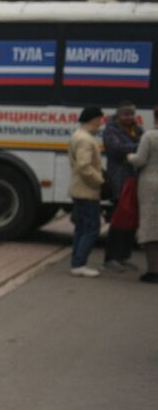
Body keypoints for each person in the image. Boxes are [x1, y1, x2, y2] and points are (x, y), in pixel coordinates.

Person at [102, 100, 144, 270]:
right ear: (118, 115)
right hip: (119, 179)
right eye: (126, 114)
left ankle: (123, 256)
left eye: (131, 114)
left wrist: (139, 146)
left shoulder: (137, 129)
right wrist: (141, 146)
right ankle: (111, 258)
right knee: (119, 219)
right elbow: (117, 149)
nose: (129, 117)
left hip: (134, 179)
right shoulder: (111, 130)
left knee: (131, 219)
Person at [69, 106, 106, 277]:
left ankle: (76, 262)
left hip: (79, 189)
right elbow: (84, 166)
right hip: (87, 190)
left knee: (81, 228)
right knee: (91, 228)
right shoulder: (85, 139)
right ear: (92, 119)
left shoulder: (78, 135)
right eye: (99, 119)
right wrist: (100, 181)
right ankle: (79, 264)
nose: (101, 122)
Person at [128, 125, 158, 282]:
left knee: (150, 226)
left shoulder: (150, 136)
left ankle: (153, 271)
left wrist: (130, 157)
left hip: (151, 184)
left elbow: (140, 160)